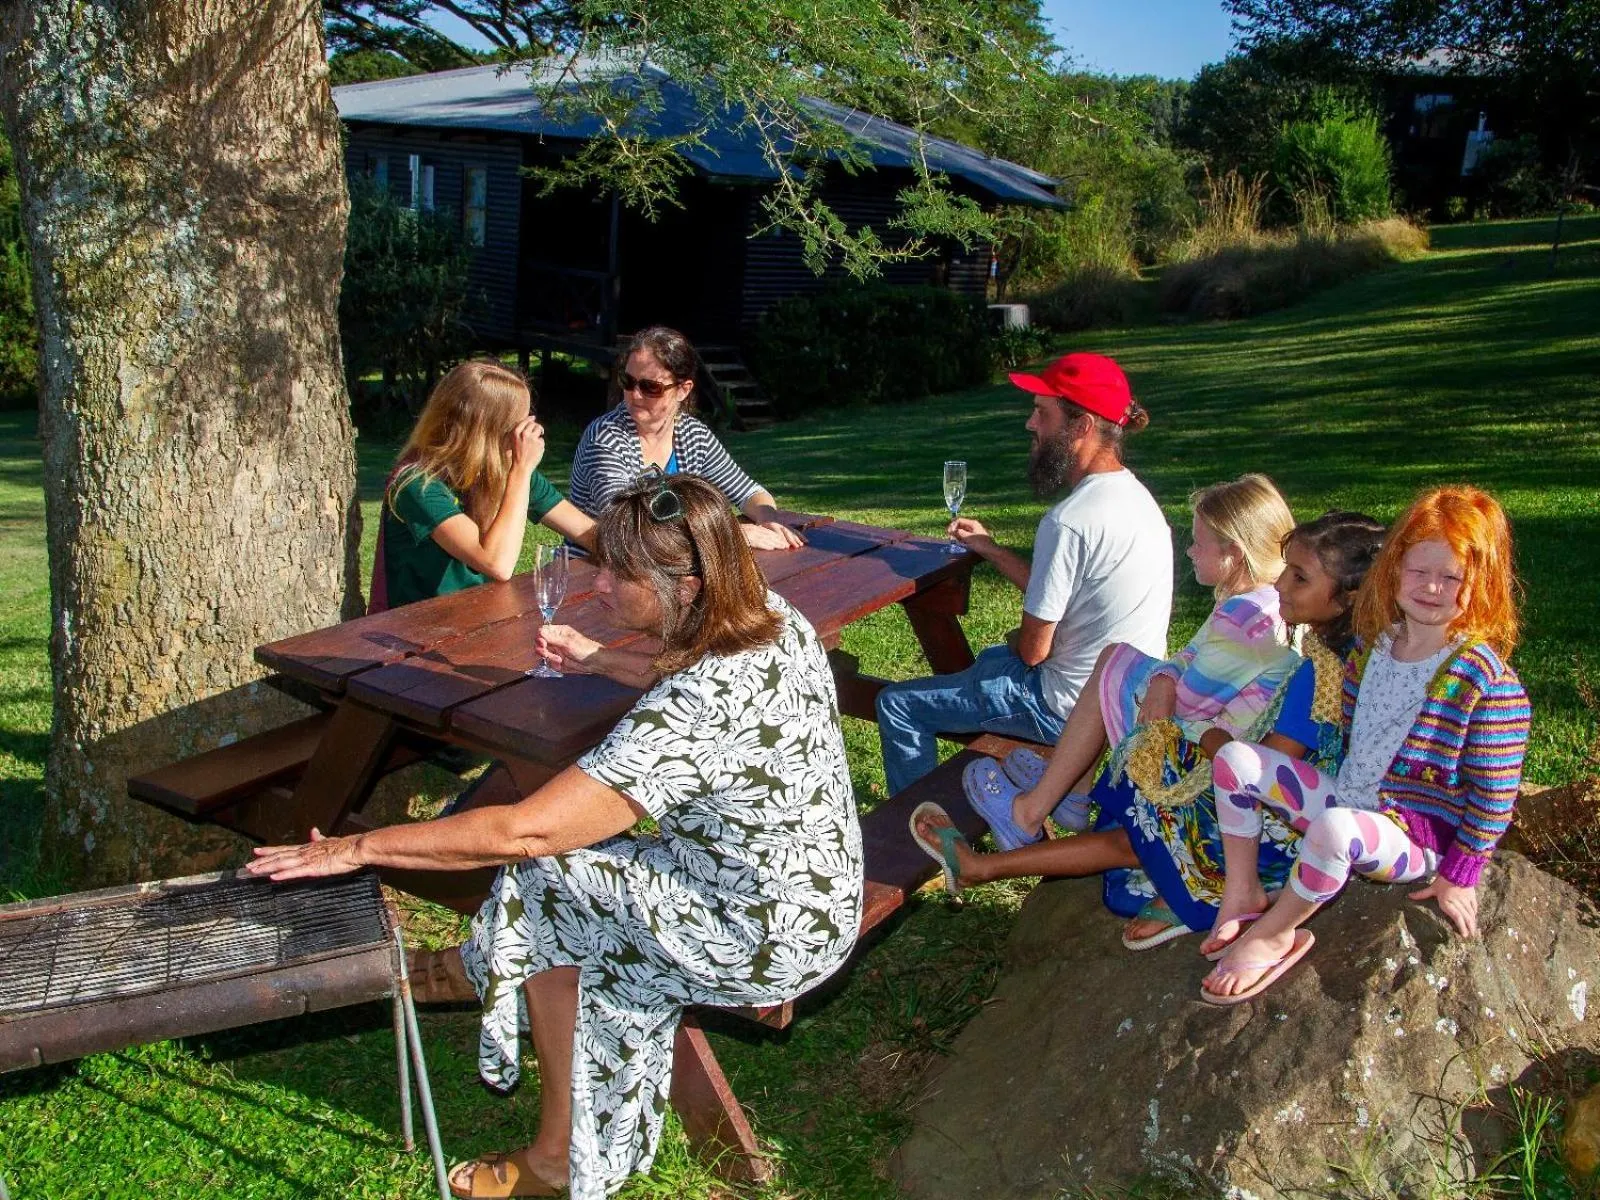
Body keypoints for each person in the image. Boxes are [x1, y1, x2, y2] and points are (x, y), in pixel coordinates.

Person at [248, 474, 863, 1200]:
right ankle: (481, 969)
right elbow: (686, 669)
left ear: (687, 587)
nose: (598, 586)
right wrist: (602, 660)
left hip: (762, 934)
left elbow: (525, 830)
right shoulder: (768, 615)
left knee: (541, 880)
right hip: (811, 896)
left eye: (619, 574)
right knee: (558, 881)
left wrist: (353, 848)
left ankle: (554, 1155)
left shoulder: (694, 709)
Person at [910, 510, 1385, 951]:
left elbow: (1270, 772)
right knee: (1141, 826)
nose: (1280, 582)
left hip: (1274, 832)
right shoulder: (1347, 657)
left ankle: (993, 861)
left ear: (1348, 598)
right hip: (1287, 819)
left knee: (1147, 813)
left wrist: (1209, 738)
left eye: (1299, 577)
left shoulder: (1322, 674)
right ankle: (989, 862)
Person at [1201, 485, 1530, 1005]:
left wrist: (1460, 874)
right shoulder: (1374, 645)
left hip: (1413, 835)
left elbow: (1495, 796)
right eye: (1418, 571)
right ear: (1394, 568)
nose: (1431, 587)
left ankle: (1275, 934)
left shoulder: (1485, 681)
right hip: (1351, 800)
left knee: (1334, 829)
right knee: (1235, 760)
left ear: (1481, 584)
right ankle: (1242, 891)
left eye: (1452, 578)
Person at [875, 352, 1173, 798]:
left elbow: (1033, 652)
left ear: (1082, 426)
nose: (1030, 424)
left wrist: (1018, 639)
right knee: (988, 664)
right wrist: (992, 549)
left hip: (1063, 711)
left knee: (897, 705)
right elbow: (1066, 592)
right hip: (1124, 699)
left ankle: (917, 828)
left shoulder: (1070, 520)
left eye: (1041, 412)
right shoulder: (1138, 500)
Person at [962, 473, 1300, 851]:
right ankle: (1072, 789)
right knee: (1117, 660)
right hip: (1217, 742)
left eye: (1198, 543)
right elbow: (1188, 655)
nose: (1190, 552)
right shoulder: (1263, 601)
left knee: (1113, 662)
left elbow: (1189, 705)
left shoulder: (1244, 620)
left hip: (1200, 766)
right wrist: (1163, 678)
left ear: (1233, 553)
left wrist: (1162, 682)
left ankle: (1028, 814)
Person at [372, 359, 596, 612]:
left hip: (483, 617)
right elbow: (497, 564)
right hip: (418, 627)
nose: (531, 431)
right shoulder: (417, 485)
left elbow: (587, 532)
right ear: (489, 430)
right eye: (521, 424)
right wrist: (521, 471)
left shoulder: (503, 470)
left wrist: (632, 555)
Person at [568, 325, 803, 551]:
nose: (635, 394)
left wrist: (768, 519)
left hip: (667, 566)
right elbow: (627, 528)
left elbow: (749, 492)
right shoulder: (606, 438)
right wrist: (727, 534)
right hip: (594, 567)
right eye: (627, 381)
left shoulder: (693, 435)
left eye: (650, 387)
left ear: (683, 389)